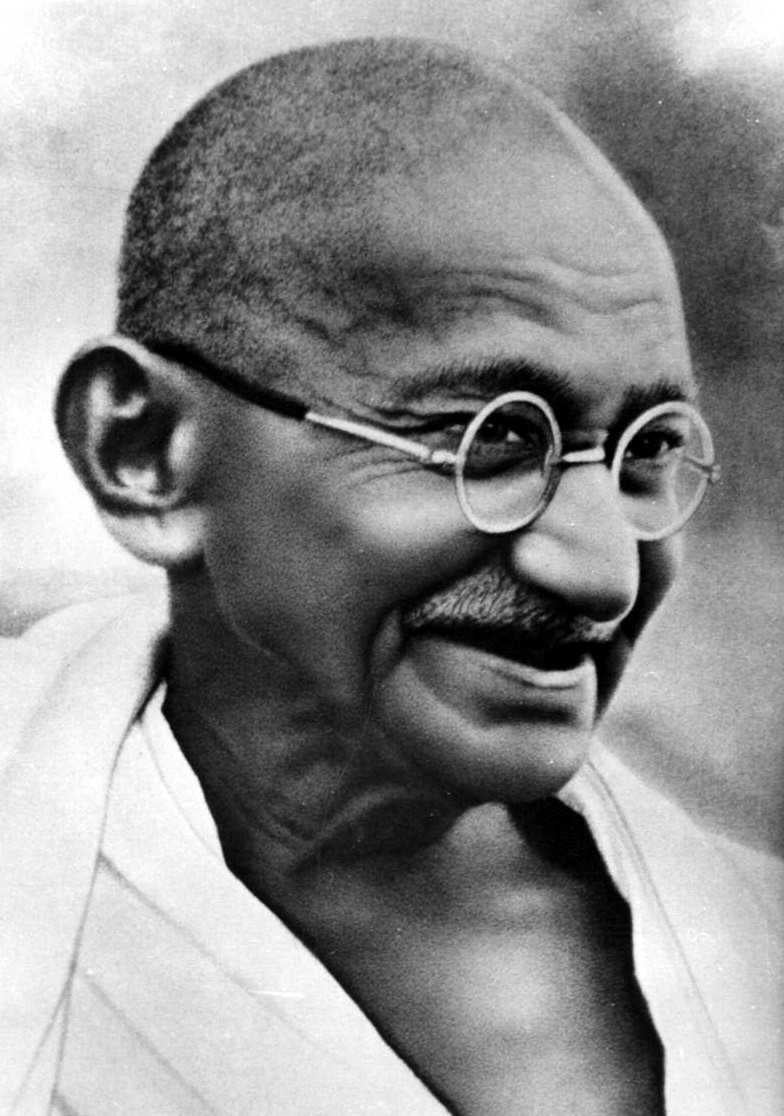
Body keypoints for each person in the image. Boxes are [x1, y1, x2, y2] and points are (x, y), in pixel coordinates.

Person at [1, 37, 781, 1116]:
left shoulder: (752, 946)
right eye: (491, 439)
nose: (603, 577)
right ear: (143, 451)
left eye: (647, 453)